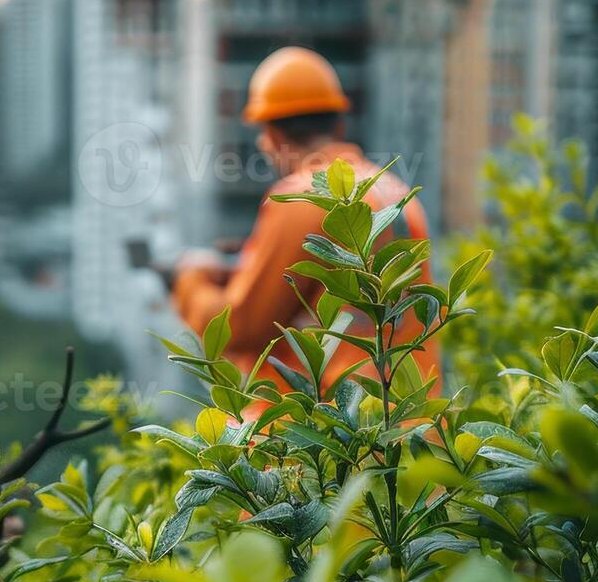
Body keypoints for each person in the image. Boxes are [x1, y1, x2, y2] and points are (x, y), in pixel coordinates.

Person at [172, 46, 436, 393]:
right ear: (339, 123)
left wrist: (189, 279)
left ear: (271, 136)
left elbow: (240, 327)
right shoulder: (395, 193)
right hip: (403, 422)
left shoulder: (301, 196)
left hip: (330, 433)